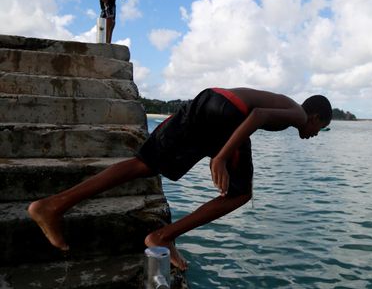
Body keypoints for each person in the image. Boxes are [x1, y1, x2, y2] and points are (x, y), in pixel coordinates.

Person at [28, 87, 332, 271]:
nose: (314, 133)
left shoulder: (288, 104)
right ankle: (163, 236)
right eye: (321, 128)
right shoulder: (298, 114)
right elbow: (257, 117)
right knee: (240, 194)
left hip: (207, 101)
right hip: (229, 113)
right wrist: (222, 156)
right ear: (315, 117)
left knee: (143, 164)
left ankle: (53, 205)